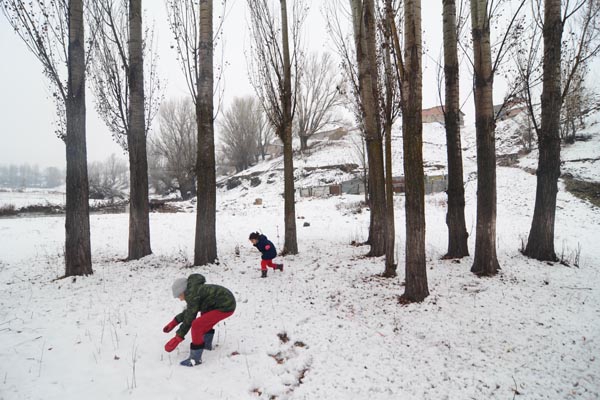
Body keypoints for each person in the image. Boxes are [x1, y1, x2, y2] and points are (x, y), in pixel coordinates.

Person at [163, 273, 236, 367]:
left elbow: (190, 318)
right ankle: (206, 345)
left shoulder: (192, 295)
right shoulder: (193, 291)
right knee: (203, 318)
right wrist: (174, 322)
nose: (180, 299)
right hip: (217, 305)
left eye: (179, 296)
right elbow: (190, 311)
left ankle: (195, 358)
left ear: (182, 292)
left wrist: (178, 337)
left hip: (225, 306)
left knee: (197, 325)